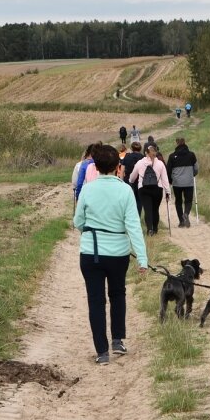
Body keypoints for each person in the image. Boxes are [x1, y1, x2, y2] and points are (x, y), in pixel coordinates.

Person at [74, 145, 148, 365]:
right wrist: (142, 259)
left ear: (95, 167)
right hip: (118, 254)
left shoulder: (87, 190)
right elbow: (134, 227)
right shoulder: (125, 190)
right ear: (118, 166)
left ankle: (102, 352)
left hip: (91, 253)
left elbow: (78, 222)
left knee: (96, 301)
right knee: (117, 294)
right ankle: (117, 341)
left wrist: (91, 230)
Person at [129, 145, 171, 236]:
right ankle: (155, 229)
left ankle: (149, 230)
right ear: (155, 152)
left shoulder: (140, 163)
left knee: (147, 209)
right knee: (155, 209)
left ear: (145, 153)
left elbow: (132, 177)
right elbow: (165, 179)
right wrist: (168, 192)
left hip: (143, 189)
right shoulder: (160, 164)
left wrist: (131, 182)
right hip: (157, 189)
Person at [167, 137, 198, 228]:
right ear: (185, 143)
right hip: (188, 182)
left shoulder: (172, 156)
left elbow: (168, 170)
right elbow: (196, 168)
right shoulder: (191, 155)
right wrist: (193, 174)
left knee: (178, 201)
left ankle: (181, 221)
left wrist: (170, 180)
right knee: (188, 201)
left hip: (177, 183)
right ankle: (186, 214)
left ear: (177, 143)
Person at [121, 141, 145, 216]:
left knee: (129, 200)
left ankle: (130, 215)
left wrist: (121, 181)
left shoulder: (127, 156)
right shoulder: (143, 157)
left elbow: (122, 170)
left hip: (128, 181)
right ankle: (138, 215)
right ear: (140, 148)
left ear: (131, 148)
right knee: (139, 200)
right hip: (139, 181)